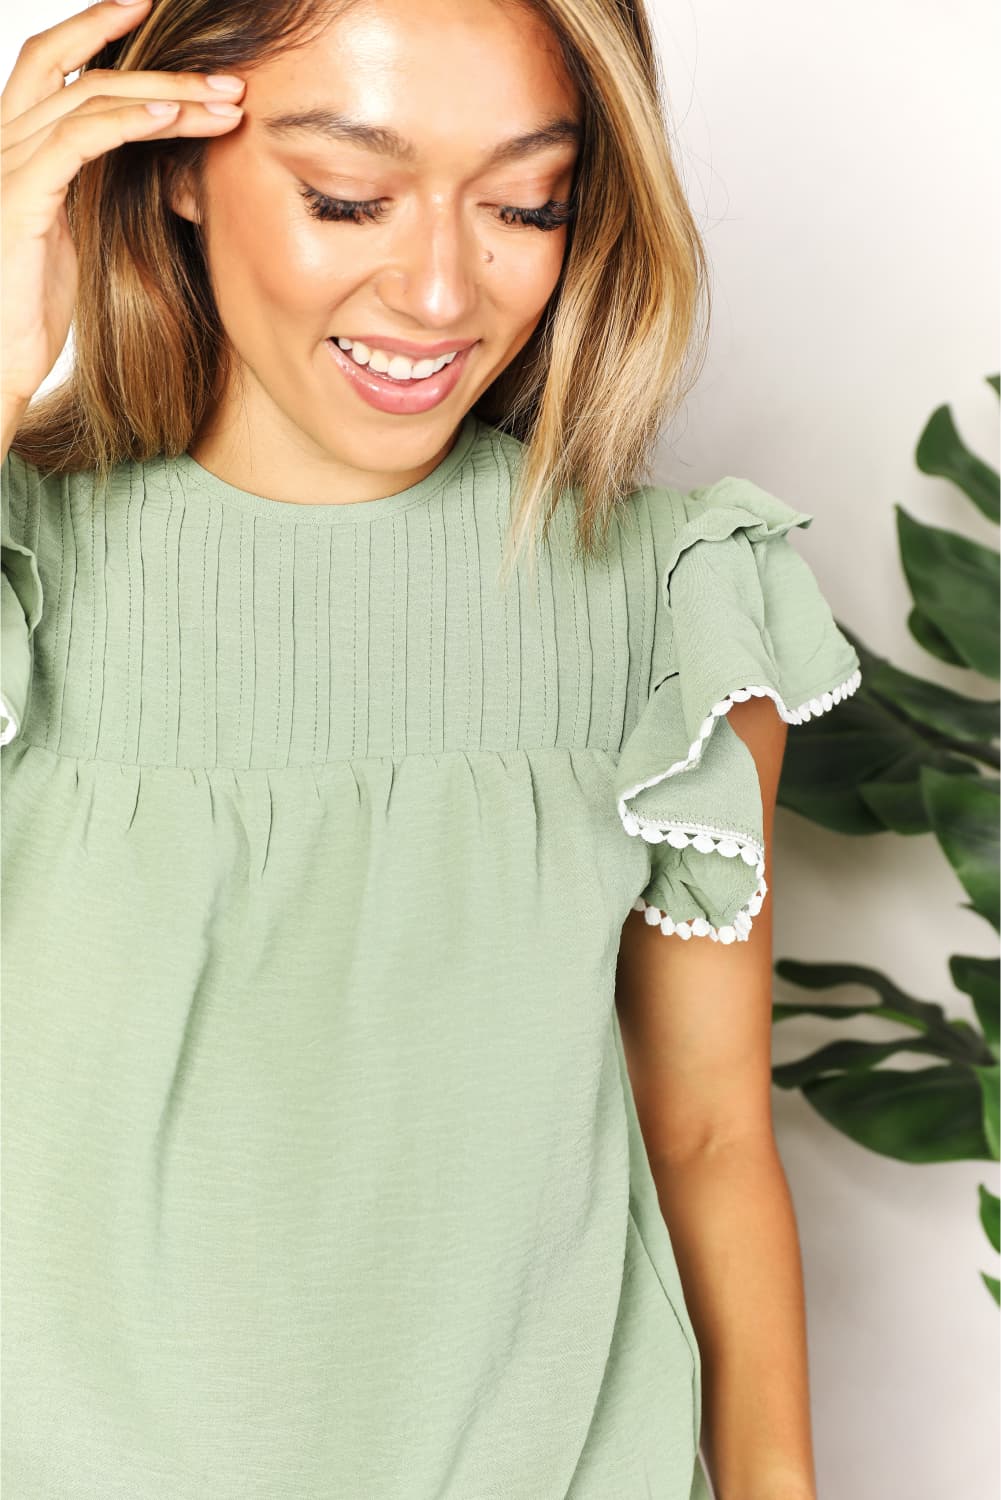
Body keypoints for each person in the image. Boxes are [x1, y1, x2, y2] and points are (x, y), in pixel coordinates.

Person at [0, 1, 862, 1496]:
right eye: (347, 195)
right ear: (170, 163)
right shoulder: (23, 566)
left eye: (530, 202)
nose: (441, 287)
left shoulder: (668, 598)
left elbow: (710, 1129)